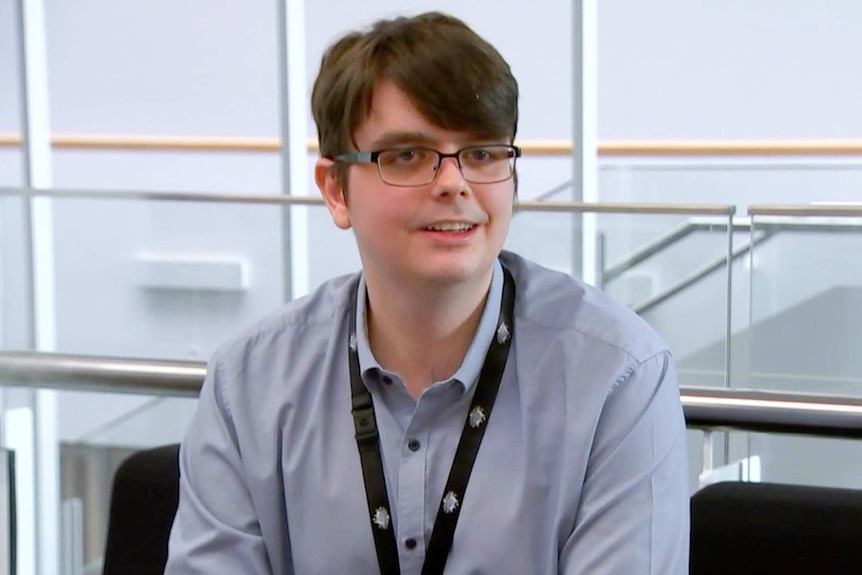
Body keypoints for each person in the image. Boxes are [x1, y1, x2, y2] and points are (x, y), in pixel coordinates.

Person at [165, 11, 689, 575]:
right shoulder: (247, 384)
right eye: (407, 156)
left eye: (482, 153)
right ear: (336, 190)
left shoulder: (618, 378)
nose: (453, 181)